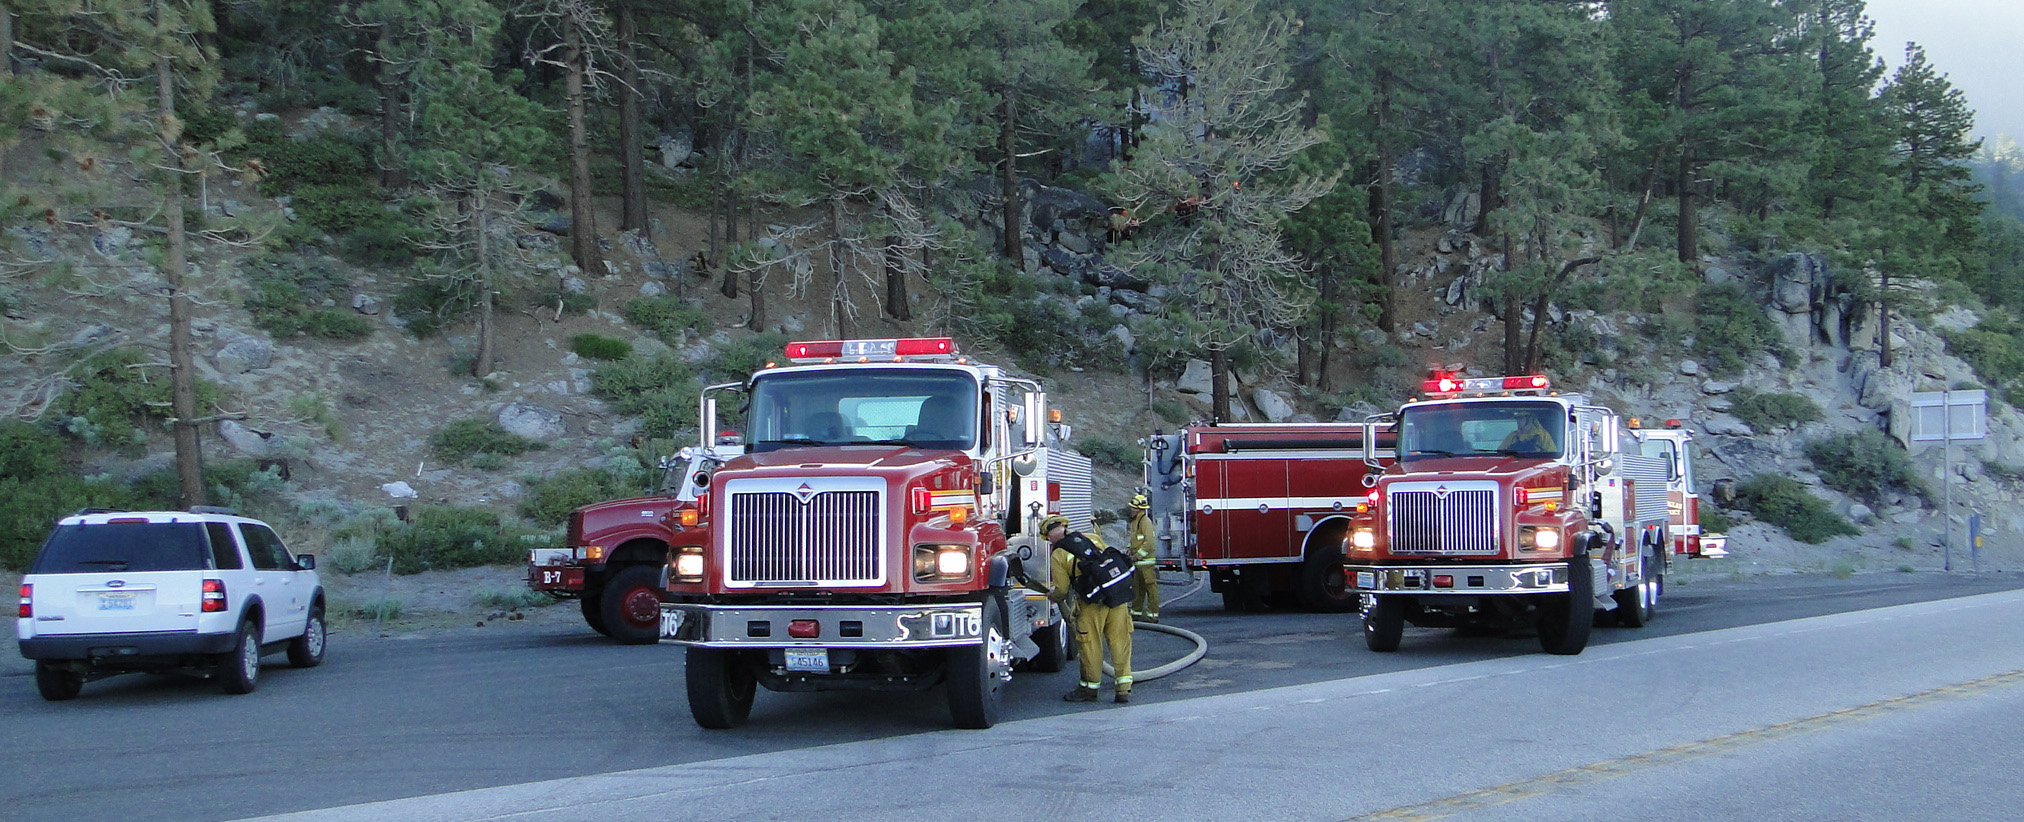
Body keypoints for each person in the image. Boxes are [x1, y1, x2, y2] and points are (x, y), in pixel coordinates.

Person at [1038, 514, 1135, 704]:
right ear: (1064, 526)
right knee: (1120, 642)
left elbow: (1063, 589)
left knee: (1090, 645)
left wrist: (1053, 597)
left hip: (1091, 604)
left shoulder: (1058, 554)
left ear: (1048, 536)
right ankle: (1123, 689)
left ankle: (1090, 690)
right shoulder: (1091, 537)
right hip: (1116, 596)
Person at [1126, 492, 1160, 623]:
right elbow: (1136, 540)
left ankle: (1153, 615)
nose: (1131, 510)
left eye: (1133, 508)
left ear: (1139, 509)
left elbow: (1149, 543)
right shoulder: (1136, 522)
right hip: (1138, 563)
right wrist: (1129, 550)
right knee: (1138, 590)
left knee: (1150, 589)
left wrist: (1138, 556)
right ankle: (1136, 613)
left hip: (1146, 563)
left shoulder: (1145, 522)